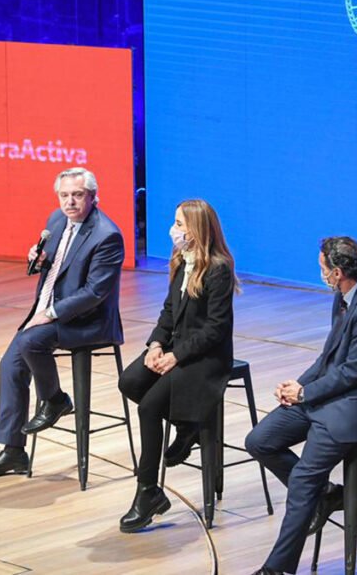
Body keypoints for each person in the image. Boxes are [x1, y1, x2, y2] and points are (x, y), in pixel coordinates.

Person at [246, 236, 357, 575]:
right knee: (260, 440)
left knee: (302, 479)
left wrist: (306, 394)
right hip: (328, 396)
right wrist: (298, 386)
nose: (319, 272)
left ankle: (278, 568)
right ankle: (326, 495)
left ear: (337, 273)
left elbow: (353, 372)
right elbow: (329, 357)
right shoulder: (343, 298)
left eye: (322, 267)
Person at [0, 167, 124, 478]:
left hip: (88, 321)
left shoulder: (106, 235)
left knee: (30, 342)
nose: (70, 202)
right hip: (49, 312)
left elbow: (94, 292)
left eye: (77, 195)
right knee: (10, 365)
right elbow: (55, 268)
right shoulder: (56, 220)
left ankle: (55, 400)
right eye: (64, 195)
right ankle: (14, 451)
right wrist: (38, 260)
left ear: (93, 197)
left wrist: (50, 313)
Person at [117, 198, 240, 532]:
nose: (174, 230)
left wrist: (176, 356)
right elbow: (169, 311)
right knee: (130, 381)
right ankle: (187, 425)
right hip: (176, 347)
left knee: (149, 409)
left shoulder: (218, 269)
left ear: (197, 229)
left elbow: (215, 329)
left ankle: (148, 491)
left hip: (206, 357)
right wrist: (156, 345)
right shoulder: (181, 260)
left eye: (180, 224)